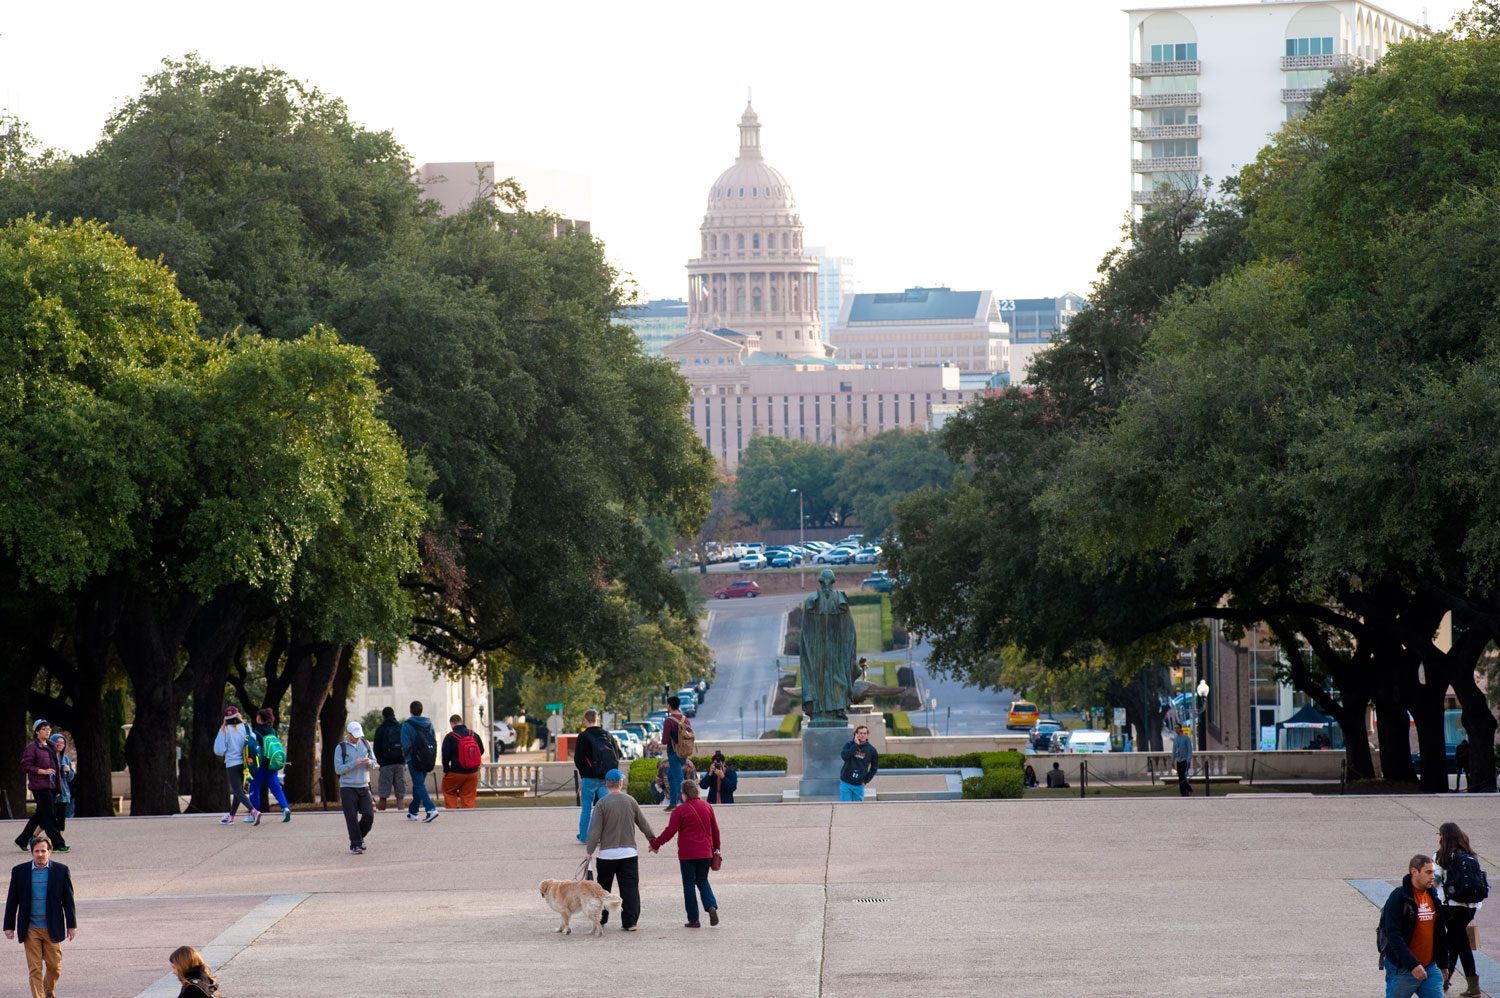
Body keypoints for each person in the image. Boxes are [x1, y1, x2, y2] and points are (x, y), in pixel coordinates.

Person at [584, 769, 657, 932]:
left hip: (606, 855)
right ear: (621, 783)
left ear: (606, 784)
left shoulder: (601, 804)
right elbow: (643, 823)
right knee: (630, 888)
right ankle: (630, 922)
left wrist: (589, 851)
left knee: (602, 889)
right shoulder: (630, 801)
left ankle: (602, 919)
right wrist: (653, 841)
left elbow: (595, 830)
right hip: (628, 853)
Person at [4, 834, 76, 998]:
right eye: (36, 851)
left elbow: (68, 900)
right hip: (30, 929)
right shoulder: (19, 871)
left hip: (52, 927)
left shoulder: (61, 871)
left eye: (43, 851)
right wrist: (9, 926)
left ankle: (48, 990)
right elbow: (12, 900)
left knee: (54, 966)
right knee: (35, 968)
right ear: (32, 853)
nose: (40, 854)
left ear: (50, 852)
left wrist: (72, 925)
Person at [648, 779, 721, 928]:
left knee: (688, 885)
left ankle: (694, 919)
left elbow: (670, 832)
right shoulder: (707, 806)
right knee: (702, 880)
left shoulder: (680, 811)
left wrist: (655, 844)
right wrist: (717, 849)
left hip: (687, 854)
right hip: (706, 852)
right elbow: (715, 830)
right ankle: (711, 906)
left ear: (684, 794)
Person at [1381, 853, 1449, 998]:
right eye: (1428, 872)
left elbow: (1439, 931)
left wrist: (1443, 962)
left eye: (1433, 872)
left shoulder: (1432, 895)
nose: (1433, 876)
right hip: (1404, 969)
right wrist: (1412, 964)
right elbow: (1393, 934)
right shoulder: (1398, 897)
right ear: (1414, 872)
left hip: (1430, 968)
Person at [800, 570, 857, 722]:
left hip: (822, 648)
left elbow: (805, 631)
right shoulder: (837, 599)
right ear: (833, 581)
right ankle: (828, 711)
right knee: (832, 679)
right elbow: (849, 630)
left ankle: (830, 710)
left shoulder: (816, 600)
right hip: (828, 648)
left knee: (823, 679)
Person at [1435, 822, 1484, 997]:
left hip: (1451, 906)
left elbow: (1435, 880)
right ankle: (1445, 979)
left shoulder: (1441, 856)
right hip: (1471, 906)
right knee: (1454, 941)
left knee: (1461, 943)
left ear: (1444, 836)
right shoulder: (1471, 855)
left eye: (1439, 833)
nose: (1437, 837)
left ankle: (1473, 984)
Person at [13, 720, 68, 853]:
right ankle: (58, 844)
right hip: (39, 786)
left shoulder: (50, 746)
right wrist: (42, 771)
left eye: (49, 728)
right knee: (49, 815)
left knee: (40, 815)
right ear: (37, 731)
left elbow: (56, 767)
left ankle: (21, 841)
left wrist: (58, 786)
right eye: (44, 729)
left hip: (51, 785)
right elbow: (26, 765)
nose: (47, 731)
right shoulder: (32, 747)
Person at [573, 709, 619, 841]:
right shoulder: (607, 735)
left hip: (589, 777)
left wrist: (584, 773)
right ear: (597, 719)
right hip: (605, 777)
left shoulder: (583, 736)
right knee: (605, 808)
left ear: (586, 720)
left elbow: (578, 759)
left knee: (586, 808)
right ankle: (606, 835)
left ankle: (584, 836)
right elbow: (616, 755)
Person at [212, 707, 260, 825]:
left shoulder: (224, 730)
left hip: (232, 764)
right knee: (239, 790)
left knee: (238, 790)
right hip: (245, 763)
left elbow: (219, 750)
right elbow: (254, 740)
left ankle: (254, 811)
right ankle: (231, 816)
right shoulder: (246, 727)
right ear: (238, 715)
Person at [334, 721, 376, 855]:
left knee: (369, 814)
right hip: (348, 787)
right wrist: (354, 763)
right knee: (351, 816)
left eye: (359, 735)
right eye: (355, 735)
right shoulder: (341, 748)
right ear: (349, 733)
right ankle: (355, 844)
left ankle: (359, 837)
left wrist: (369, 762)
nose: (357, 738)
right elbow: (338, 769)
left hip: (364, 785)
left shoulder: (365, 744)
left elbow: (374, 762)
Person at [248, 708, 292, 823]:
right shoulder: (273, 731)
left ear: (259, 718)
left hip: (259, 764)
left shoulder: (256, 732)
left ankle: (254, 813)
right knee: (276, 788)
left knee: (255, 789)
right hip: (271, 764)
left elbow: (252, 748)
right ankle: (285, 808)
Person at [400, 701, 440, 823]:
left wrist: (407, 758)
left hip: (414, 759)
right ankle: (413, 811)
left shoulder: (407, 725)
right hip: (427, 758)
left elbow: (405, 744)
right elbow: (433, 739)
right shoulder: (429, 723)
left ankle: (431, 809)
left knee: (419, 785)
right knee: (418, 785)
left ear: (410, 710)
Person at [440, 714, 485, 810]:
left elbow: (445, 756)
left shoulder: (450, 737)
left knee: (448, 790)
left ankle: (453, 811)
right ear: (461, 722)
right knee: (468, 795)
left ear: (452, 723)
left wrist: (446, 770)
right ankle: (467, 815)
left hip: (456, 772)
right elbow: (481, 750)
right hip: (472, 772)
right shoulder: (473, 734)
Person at [372, 706, 408, 812]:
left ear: (383, 716)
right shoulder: (401, 728)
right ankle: (402, 815)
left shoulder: (380, 729)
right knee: (400, 795)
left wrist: (381, 762)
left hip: (386, 765)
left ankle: (382, 817)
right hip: (400, 764)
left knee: (383, 795)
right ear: (394, 715)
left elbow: (376, 749)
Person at [661, 696, 692, 812]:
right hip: (684, 753)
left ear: (669, 706)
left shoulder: (669, 721)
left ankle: (685, 803)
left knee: (679, 779)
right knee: (670, 775)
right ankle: (673, 802)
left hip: (673, 753)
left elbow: (664, 741)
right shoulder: (685, 719)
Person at [839, 725, 879, 802]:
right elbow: (844, 756)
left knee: (858, 809)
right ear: (856, 734)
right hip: (845, 782)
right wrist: (856, 745)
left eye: (864, 733)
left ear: (867, 735)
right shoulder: (849, 745)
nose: (862, 735)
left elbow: (874, 768)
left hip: (859, 785)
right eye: (860, 733)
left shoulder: (872, 750)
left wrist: (865, 781)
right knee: (845, 808)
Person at [48, 735, 74, 833]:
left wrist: (68, 772)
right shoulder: (48, 757)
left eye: (63, 743)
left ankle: (60, 842)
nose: (60, 745)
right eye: (58, 742)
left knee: (61, 819)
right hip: (52, 792)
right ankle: (34, 836)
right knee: (48, 819)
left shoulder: (66, 758)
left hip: (64, 794)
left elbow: (71, 778)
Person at [1171, 724, 1194, 797]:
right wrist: (1172, 759)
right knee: (1180, 776)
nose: (1176, 730)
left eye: (1177, 728)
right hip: (1178, 759)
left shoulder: (1186, 738)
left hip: (1184, 759)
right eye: (1175, 728)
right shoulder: (1175, 739)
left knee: (1183, 775)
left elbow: (1189, 749)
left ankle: (1188, 789)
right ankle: (1183, 791)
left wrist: (1188, 759)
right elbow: (1174, 750)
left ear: (1180, 728)